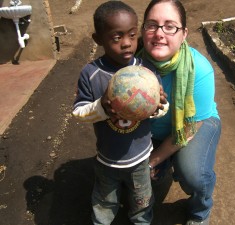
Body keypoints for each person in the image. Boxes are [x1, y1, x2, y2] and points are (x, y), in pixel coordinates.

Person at [72, 1, 168, 225]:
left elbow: (163, 109)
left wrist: (159, 106)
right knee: (104, 202)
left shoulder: (147, 72)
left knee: (142, 201)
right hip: (108, 161)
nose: (126, 44)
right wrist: (101, 107)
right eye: (117, 38)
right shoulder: (91, 74)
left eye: (132, 35)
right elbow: (78, 112)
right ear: (98, 40)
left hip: (141, 158)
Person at [138, 0, 222, 224]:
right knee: (133, 181)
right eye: (152, 25)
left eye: (170, 26)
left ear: (184, 33)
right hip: (149, 127)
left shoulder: (200, 69)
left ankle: (200, 210)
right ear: (143, 29)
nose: (159, 33)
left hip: (194, 124)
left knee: (193, 175)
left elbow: (189, 127)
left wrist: (152, 160)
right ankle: (164, 164)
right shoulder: (131, 63)